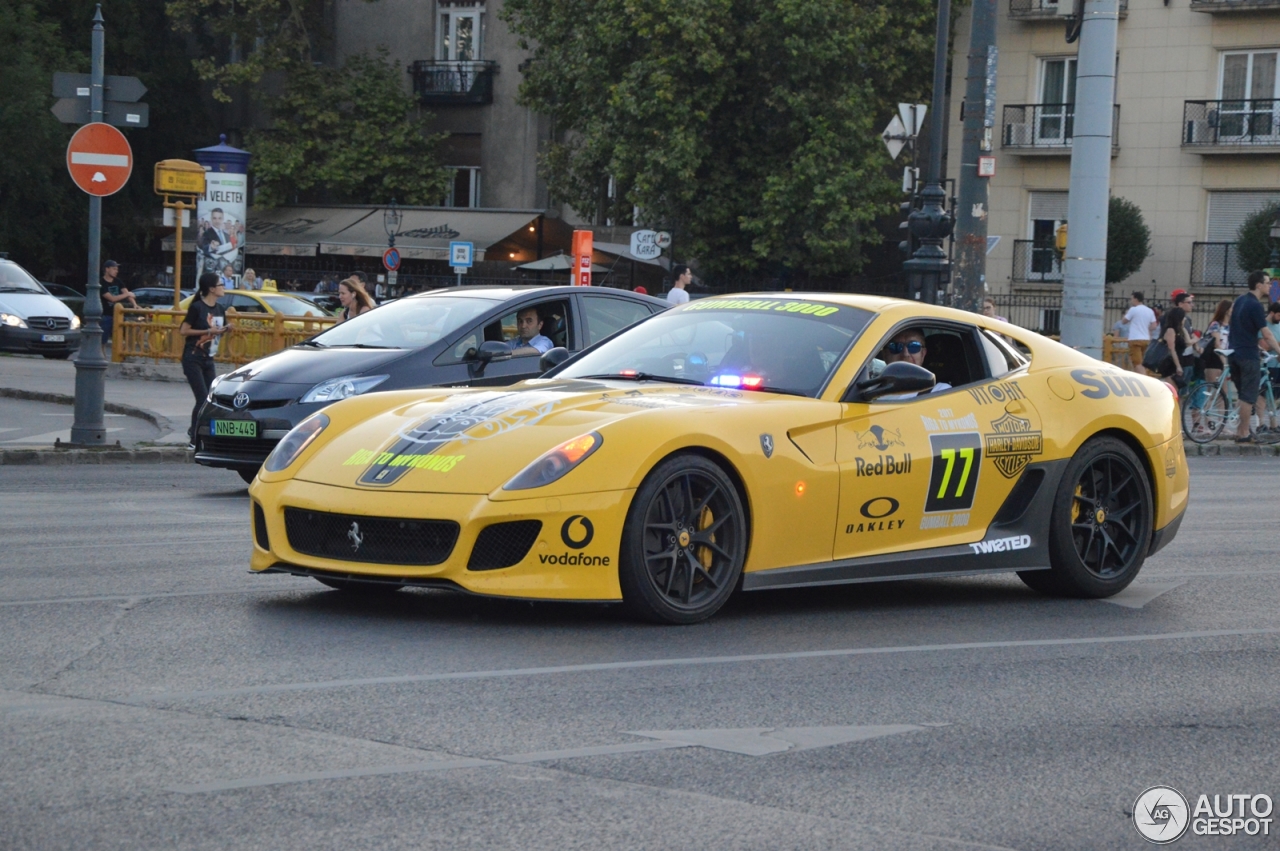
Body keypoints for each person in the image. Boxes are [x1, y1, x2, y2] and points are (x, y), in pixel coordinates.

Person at [1227, 271, 1280, 443]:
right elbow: (1266, 334)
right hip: (1248, 356)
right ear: (1258, 285)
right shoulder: (1255, 305)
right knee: (1248, 396)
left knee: (1243, 395)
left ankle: (1241, 431)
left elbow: (1236, 326)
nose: (1270, 286)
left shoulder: (1240, 301)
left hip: (1234, 352)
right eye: (1267, 283)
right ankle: (1243, 433)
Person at [179, 273, 230, 447]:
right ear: (211, 288)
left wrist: (226, 328)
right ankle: (194, 438)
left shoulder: (220, 309)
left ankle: (200, 432)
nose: (223, 287)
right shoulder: (197, 308)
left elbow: (219, 329)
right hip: (192, 358)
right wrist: (208, 332)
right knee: (201, 399)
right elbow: (184, 331)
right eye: (220, 284)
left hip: (209, 358)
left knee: (210, 399)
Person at [877, 328, 952, 398]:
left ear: (922, 354)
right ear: (884, 354)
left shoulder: (940, 392)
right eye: (896, 347)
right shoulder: (869, 388)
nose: (905, 354)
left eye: (913, 346)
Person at [99, 260, 137, 345]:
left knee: (128, 330)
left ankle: (125, 352)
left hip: (118, 314)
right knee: (103, 339)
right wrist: (127, 294)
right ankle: (102, 355)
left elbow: (128, 294)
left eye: (117, 269)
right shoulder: (101, 283)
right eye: (114, 269)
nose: (116, 271)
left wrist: (135, 305)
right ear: (107, 269)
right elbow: (112, 298)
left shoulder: (118, 281)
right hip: (106, 314)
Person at [1156, 298, 1191, 387]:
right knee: (1172, 390)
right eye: (1183, 318)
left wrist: (1183, 328)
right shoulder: (1170, 330)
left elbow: (1188, 342)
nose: (1184, 320)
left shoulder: (1179, 330)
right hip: (1170, 364)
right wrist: (1178, 366)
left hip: (1177, 361)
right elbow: (1172, 349)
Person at [1197, 298, 1232, 387]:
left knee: (1224, 392)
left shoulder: (1231, 326)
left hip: (1225, 358)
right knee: (1214, 391)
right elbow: (1217, 344)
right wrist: (1225, 362)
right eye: (1233, 308)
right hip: (1214, 359)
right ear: (1227, 310)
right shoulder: (1215, 325)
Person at [1122, 290, 1156, 373]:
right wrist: (1146, 329)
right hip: (1146, 339)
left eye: (1132, 299)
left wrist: (1126, 313)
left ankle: (1143, 381)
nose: (1131, 301)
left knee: (1137, 363)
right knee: (1143, 363)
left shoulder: (1133, 309)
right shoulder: (1149, 310)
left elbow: (1124, 321)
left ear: (1136, 299)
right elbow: (1154, 325)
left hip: (1135, 339)